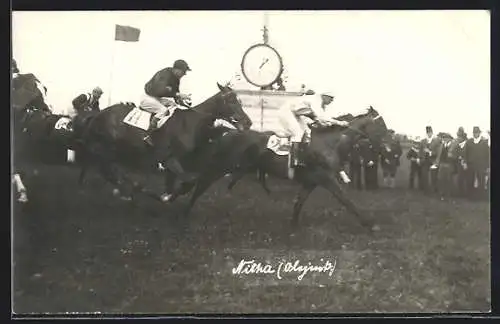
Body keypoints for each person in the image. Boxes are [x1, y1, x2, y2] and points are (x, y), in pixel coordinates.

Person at [278, 89, 349, 179]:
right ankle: (294, 160)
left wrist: (325, 123)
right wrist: (339, 123)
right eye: (331, 99)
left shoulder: (319, 103)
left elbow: (319, 119)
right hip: (286, 112)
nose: (332, 101)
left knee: (307, 132)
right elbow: (322, 117)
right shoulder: (316, 101)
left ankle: (304, 156)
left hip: (296, 114)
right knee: (298, 133)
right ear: (325, 96)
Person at [140, 59, 193, 146]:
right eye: (183, 72)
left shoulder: (176, 79)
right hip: (148, 97)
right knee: (163, 110)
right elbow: (158, 91)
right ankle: (147, 134)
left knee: (173, 105)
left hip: (157, 98)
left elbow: (176, 96)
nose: (184, 74)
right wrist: (178, 94)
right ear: (176, 69)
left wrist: (183, 102)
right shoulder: (164, 74)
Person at [464, 126, 489, 200]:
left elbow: (487, 155)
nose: (475, 134)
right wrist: (465, 162)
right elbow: (465, 153)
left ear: (479, 133)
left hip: (481, 165)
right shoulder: (469, 142)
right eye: (474, 133)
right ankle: (470, 197)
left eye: (477, 133)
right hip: (471, 164)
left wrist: (488, 166)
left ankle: (481, 197)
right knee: (470, 180)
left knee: (481, 180)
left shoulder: (484, 143)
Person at [419, 126, 442, 193]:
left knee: (434, 175)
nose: (429, 134)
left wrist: (430, 152)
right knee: (424, 175)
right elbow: (420, 151)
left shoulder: (436, 141)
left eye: (430, 132)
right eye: (428, 132)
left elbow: (438, 151)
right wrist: (419, 158)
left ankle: (434, 189)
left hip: (433, 160)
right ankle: (426, 189)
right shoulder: (423, 141)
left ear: (432, 133)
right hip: (425, 160)